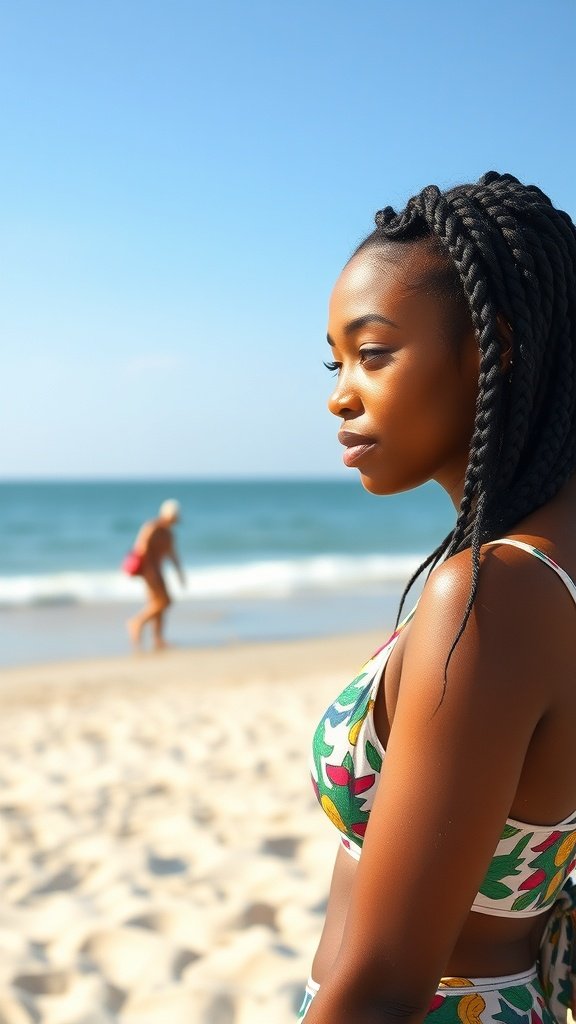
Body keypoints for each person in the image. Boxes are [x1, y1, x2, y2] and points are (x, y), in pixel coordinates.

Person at [299, 173, 576, 1024]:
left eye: (373, 353)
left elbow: (383, 984)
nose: (340, 393)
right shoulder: (550, 573)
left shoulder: (496, 597)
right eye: (334, 360)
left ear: (493, 346)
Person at [126, 499, 185, 651]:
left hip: (158, 571)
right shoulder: (152, 527)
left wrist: (180, 573)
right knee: (164, 602)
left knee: (158, 603)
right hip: (150, 571)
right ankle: (137, 622)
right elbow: (141, 548)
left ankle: (158, 639)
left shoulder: (168, 533)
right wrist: (148, 571)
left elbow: (172, 555)